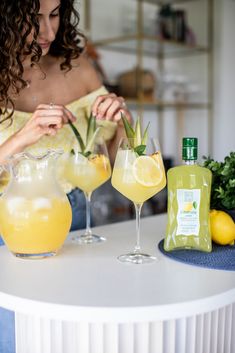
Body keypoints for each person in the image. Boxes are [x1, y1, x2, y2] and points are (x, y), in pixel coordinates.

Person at [0, 0, 132, 351]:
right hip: (11, 229)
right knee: (19, 336)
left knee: (76, 335)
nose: (47, 31)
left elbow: (121, 165)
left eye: (55, 14)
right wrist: (24, 135)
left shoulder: (79, 67)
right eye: (33, 18)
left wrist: (125, 123)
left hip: (82, 220)